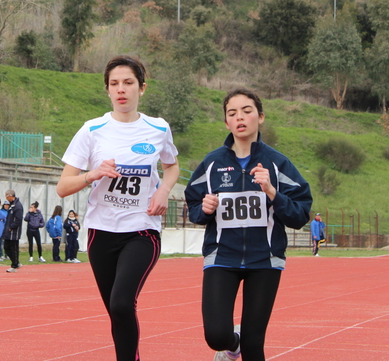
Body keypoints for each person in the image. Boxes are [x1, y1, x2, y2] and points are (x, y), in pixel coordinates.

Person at [57, 55, 180, 361]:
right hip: (102, 232)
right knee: (115, 310)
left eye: (128, 83)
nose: (121, 90)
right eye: (114, 84)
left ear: (142, 88)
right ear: (107, 90)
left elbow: (172, 165)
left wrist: (164, 190)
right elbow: (63, 186)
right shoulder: (92, 130)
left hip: (141, 230)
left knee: (123, 303)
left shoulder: (158, 128)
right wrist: (93, 174)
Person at [185, 88, 313, 361]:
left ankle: (245, 342)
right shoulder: (211, 164)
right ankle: (233, 344)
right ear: (226, 123)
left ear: (261, 117)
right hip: (222, 257)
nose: (240, 118)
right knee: (216, 335)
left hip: (265, 260)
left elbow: (301, 214)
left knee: (255, 345)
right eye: (232, 113)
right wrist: (204, 210)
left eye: (247, 111)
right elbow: (192, 206)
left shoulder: (278, 164)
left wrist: (272, 193)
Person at [2, 189, 24, 273]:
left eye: (6, 196)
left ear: (10, 196)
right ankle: (16, 262)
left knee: (13, 248)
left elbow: (19, 219)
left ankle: (14, 265)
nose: (6, 198)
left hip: (14, 231)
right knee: (6, 247)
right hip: (8, 230)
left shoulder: (18, 206)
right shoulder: (12, 205)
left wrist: (11, 227)